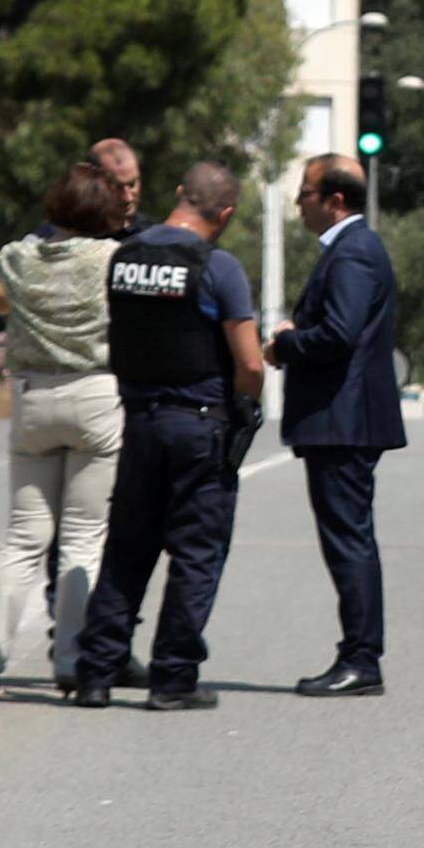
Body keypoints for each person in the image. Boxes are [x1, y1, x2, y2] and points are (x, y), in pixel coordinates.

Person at [66, 157, 265, 711]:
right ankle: (173, 678)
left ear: (179, 192)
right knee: (197, 553)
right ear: (223, 213)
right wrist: (245, 403)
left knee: (127, 549)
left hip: (138, 419)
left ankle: (96, 673)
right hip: (199, 424)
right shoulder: (218, 267)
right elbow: (249, 365)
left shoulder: (123, 257)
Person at [0, 159, 131, 702]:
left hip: (33, 396)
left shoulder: (17, 257)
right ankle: (71, 660)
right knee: (84, 537)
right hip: (96, 395)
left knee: (22, 537)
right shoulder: (112, 258)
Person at [269, 155, 403, 695]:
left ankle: (361, 660)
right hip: (341, 420)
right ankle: (360, 655)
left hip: (342, 422)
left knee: (349, 541)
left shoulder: (352, 253)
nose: (299, 202)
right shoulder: (351, 249)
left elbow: (339, 334)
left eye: (305, 192)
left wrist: (284, 344)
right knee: (349, 538)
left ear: (335, 201)